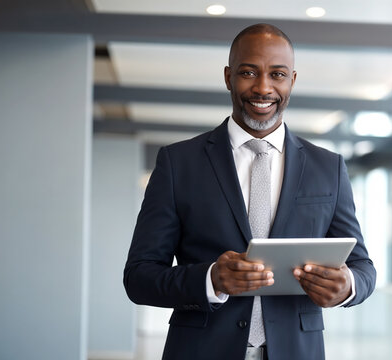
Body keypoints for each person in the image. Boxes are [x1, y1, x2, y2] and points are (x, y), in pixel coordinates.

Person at [123, 23, 376, 360]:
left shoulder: (327, 167)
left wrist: (348, 287)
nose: (263, 88)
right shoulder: (178, 163)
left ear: (293, 81)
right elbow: (140, 277)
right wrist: (211, 279)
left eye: (278, 74)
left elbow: (363, 268)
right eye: (248, 73)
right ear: (228, 77)